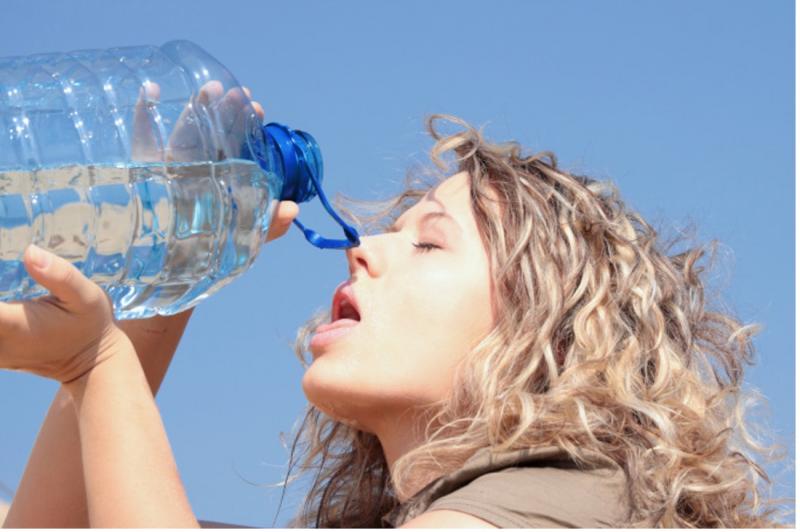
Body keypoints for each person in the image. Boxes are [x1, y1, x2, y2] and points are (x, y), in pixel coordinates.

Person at [0, 99, 791, 526]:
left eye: (430, 244)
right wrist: (170, 277)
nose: (365, 248)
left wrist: (99, 366)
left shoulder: (546, 510)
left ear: (540, 333)